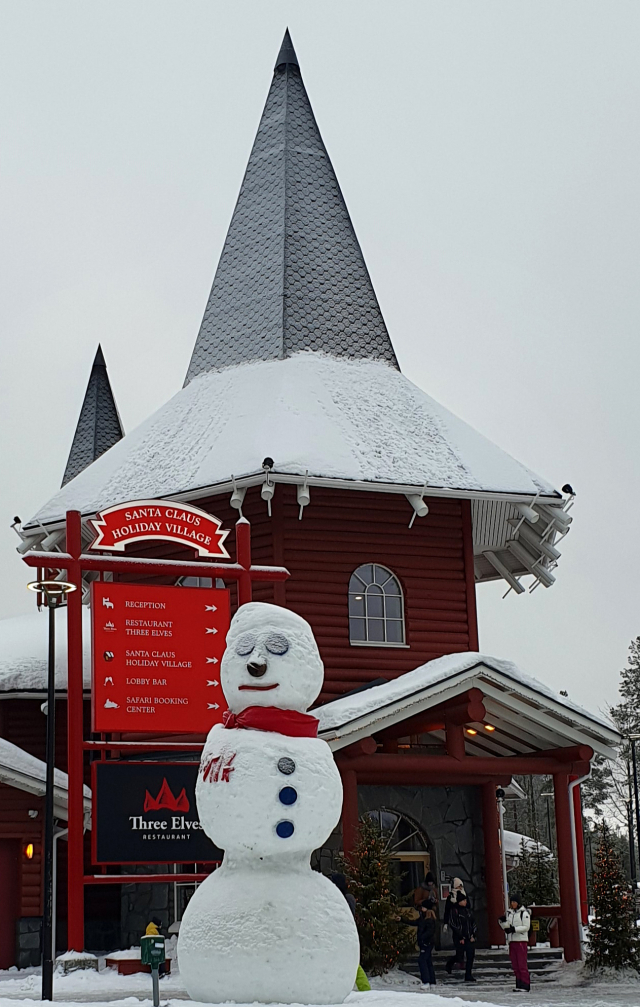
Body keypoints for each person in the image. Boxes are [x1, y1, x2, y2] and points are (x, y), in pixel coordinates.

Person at [330, 873, 371, 992]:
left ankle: (365, 989)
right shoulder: (348, 897)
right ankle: (364, 988)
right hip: (346, 933)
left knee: (352, 964)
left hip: (341, 933)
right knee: (352, 963)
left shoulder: (341, 898)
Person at [499, 893, 531, 992]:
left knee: (522, 964)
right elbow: (508, 925)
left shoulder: (524, 913)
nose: (512, 904)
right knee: (515, 964)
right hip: (512, 941)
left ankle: (525, 984)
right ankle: (519, 984)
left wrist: (515, 929)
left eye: (514, 902)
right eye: (511, 902)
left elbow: (526, 927)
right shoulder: (510, 913)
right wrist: (503, 923)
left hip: (521, 941)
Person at [445, 892, 477, 983]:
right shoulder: (455, 910)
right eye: (463, 900)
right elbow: (453, 924)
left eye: (466, 900)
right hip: (459, 937)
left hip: (469, 937)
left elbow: (473, 923)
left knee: (470, 955)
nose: (465, 902)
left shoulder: (468, 911)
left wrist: (473, 934)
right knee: (460, 955)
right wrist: (460, 937)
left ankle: (468, 974)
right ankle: (450, 964)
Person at [406, 900, 437, 989]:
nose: (422, 909)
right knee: (428, 961)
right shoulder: (423, 918)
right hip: (425, 943)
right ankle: (432, 981)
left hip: (426, 943)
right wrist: (402, 919)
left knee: (422, 960)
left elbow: (429, 932)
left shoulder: (429, 920)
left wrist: (422, 938)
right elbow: (414, 922)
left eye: (423, 907)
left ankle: (426, 981)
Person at [443, 878, 466, 967]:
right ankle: (457, 961)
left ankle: (461, 961)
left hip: (464, 922)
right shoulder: (451, 897)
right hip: (455, 921)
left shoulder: (464, 894)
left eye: (461, 886)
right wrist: (445, 923)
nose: (460, 888)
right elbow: (447, 910)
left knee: (464, 946)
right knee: (458, 943)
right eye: (458, 886)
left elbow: (468, 906)